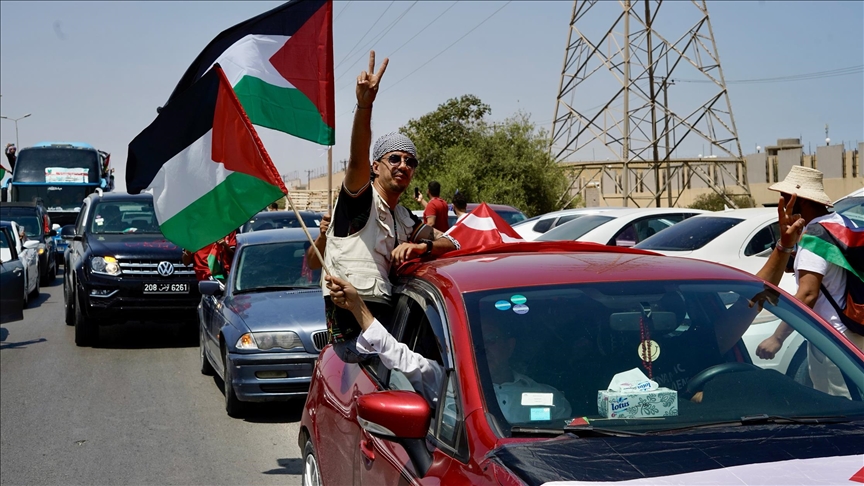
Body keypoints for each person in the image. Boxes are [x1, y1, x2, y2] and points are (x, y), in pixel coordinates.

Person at [320, 51, 458, 362]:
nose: (403, 165)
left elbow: (452, 243)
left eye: (410, 161)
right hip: (355, 342)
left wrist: (420, 248)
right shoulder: (359, 202)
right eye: (394, 158)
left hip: (389, 326)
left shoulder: (403, 216)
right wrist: (365, 105)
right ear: (376, 166)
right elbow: (355, 159)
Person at [326, 274, 571, 422]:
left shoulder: (552, 400)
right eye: (477, 341)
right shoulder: (446, 383)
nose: (483, 349)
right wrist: (359, 307)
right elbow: (399, 356)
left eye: (492, 339)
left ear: (510, 346)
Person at [755, 166, 861, 398]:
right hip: (854, 334)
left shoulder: (816, 234)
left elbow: (808, 294)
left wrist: (777, 338)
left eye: (784, 197)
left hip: (834, 341)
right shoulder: (839, 224)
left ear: (797, 199)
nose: (781, 204)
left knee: (839, 412)